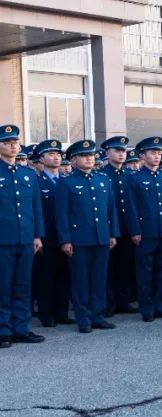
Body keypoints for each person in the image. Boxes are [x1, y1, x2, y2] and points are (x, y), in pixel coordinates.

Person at [55, 139, 119, 334]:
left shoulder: (102, 179)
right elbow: (61, 214)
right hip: (79, 239)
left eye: (91, 155)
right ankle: (84, 319)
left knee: (99, 279)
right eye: (84, 156)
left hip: (101, 237)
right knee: (81, 280)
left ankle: (98, 316)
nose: (89, 159)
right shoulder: (66, 182)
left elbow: (111, 210)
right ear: (73, 160)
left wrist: (113, 233)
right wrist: (65, 240)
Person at [0, 124, 45, 348]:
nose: (12, 146)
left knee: (23, 285)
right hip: (3, 240)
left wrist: (38, 235)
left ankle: (21, 328)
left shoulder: (27, 173)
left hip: (26, 238)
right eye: (7, 142)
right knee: (3, 286)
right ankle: (3, 330)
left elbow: (36, 207)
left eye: (15, 142)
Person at [125, 136, 162, 323]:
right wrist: (135, 231)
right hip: (145, 233)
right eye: (153, 153)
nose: (157, 156)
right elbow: (131, 208)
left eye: (159, 153)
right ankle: (147, 308)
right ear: (142, 155)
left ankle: (161, 306)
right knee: (144, 271)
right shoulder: (134, 178)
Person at [33, 139, 72, 328]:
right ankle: (46, 313)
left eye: (58, 154)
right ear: (41, 159)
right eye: (51, 154)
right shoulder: (36, 182)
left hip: (66, 236)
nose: (56, 158)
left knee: (64, 274)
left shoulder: (66, 181)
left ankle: (62, 311)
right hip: (46, 236)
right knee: (46, 275)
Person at [100, 135, 137, 316]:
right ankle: (109, 302)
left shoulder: (130, 175)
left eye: (124, 151)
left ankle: (123, 301)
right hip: (109, 229)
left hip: (127, 228)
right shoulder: (102, 175)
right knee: (109, 268)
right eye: (118, 150)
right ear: (107, 153)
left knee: (125, 265)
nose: (122, 154)